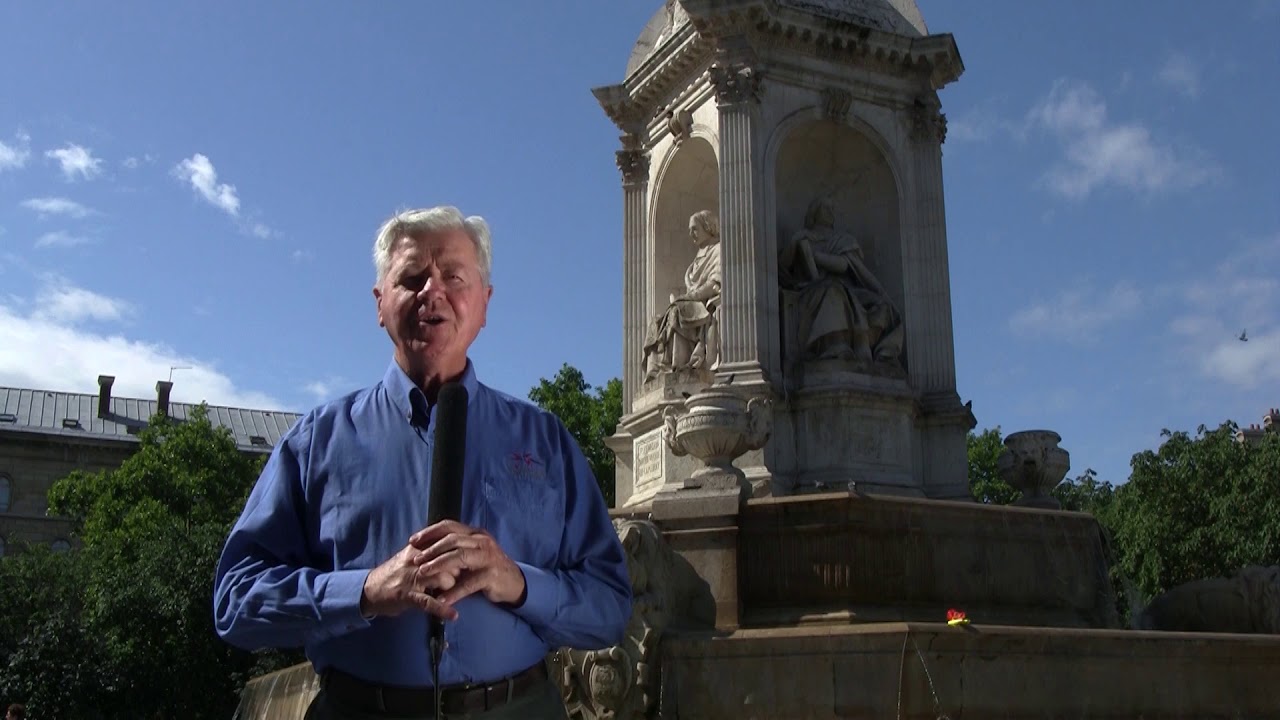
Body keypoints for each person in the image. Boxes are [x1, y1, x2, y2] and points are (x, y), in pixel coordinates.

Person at [213, 205, 633, 719]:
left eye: (453, 276)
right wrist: (365, 591)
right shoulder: (315, 442)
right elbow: (235, 602)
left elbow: (610, 608)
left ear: (484, 303)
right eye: (412, 277)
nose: (432, 292)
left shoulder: (546, 441)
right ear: (380, 303)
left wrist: (517, 582)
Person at [779, 196, 902, 364]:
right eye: (825, 208)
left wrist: (817, 257)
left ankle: (883, 352)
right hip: (812, 292)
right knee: (833, 292)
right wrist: (793, 244)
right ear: (814, 213)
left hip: (846, 290)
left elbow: (845, 266)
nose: (831, 212)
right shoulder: (802, 238)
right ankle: (835, 345)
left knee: (882, 305)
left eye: (832, 208)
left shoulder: (843, 240)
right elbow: (783, 267)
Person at [642, 210, 722, 379]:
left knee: (676, 311)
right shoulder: (697, 257)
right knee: (655, 323)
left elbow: (715, 284)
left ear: (708, 227)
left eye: (694, 229)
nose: (691, 234)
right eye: (689, 230)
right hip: (693, 302)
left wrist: (689, 297)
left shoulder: (718, 250)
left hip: (706, 302)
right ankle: (657, 370)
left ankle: (678, 365)